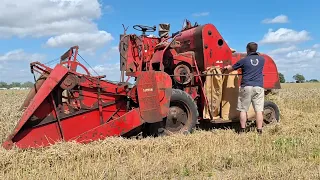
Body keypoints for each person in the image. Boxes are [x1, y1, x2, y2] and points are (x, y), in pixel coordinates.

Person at [224, 42, 265, 134]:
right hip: (258, 87)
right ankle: (259, 131)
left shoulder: (244, 60)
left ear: (247, 49)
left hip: (246, 86)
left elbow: (231, 69)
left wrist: (226, 68)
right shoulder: (262, 60)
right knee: (259, 110)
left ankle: (242, 130)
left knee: (243, 109)